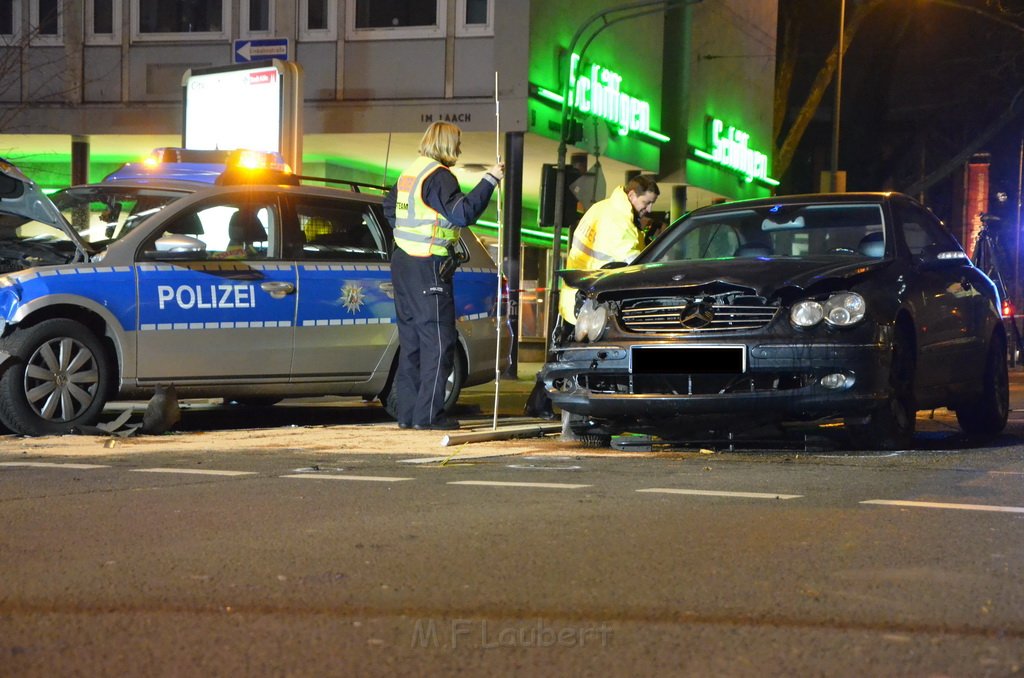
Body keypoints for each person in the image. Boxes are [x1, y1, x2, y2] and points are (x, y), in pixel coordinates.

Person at [383, 122, 504, 431]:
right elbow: (463, 213)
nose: (460, 149)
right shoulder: (439, 177)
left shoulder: (410, 173)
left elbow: (389, 209)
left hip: (403, 263)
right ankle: (429, 417)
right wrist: (489, 180)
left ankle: (408, 416)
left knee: (411, 343)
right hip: (428, 266)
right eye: (458, 143)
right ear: (448, 145)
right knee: (439, 342)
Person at [525, 174, 660, 419]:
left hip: (576, 294)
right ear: (632, 195)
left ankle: (538, 403)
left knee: (563, 352)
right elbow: (635, 263)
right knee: (569, 356)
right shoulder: (620, 221)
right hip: (589, 301)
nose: (648, 209)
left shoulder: (603, 208)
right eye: (646, 202)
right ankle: (545, 402)